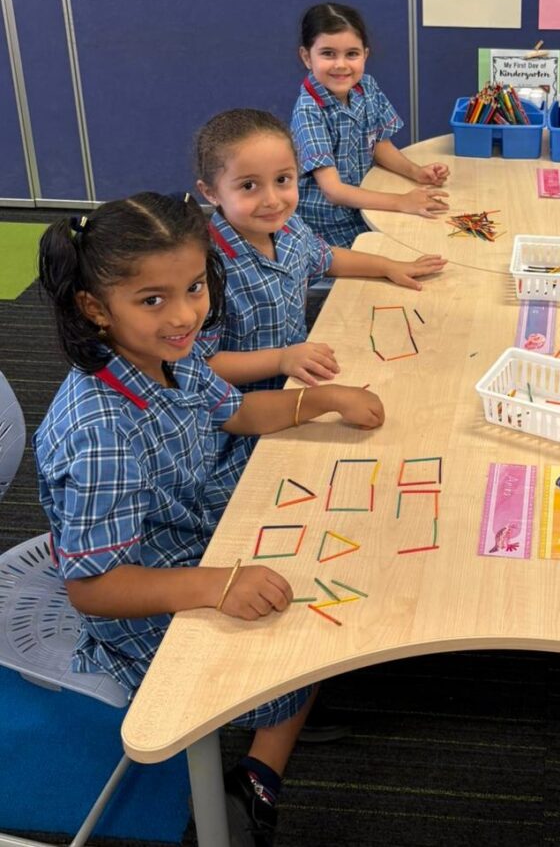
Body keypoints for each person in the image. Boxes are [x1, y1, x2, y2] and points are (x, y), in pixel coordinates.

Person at [34, 192, 385, 847]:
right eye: (153, 299)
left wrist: (321, 401)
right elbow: (94, 588)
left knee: (333, 550)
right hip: (143, 586)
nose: (184, 314)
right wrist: (217, 585)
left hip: (193, 526)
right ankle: (256, 777)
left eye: (194, 287)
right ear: (95, 308)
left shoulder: (172, 356)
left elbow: (239, 412)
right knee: (299, 642)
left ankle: (282, 710)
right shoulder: (101, 429)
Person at [194, 107, 446, 392]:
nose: (272, 200)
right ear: (211, 193)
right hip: (246, 405)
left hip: (297, 379)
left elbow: (325, 258)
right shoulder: (205, 270)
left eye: (282, 180)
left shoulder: (289, 228)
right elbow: (199, 366)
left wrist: (388, 266)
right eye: (249, 185)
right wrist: (280, 360)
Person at [290, 2, 450, 247]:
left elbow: (378, 145)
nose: (341, 64)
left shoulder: (367, 87)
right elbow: (333, 191)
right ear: (306, 57)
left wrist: (416, 172)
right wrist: (401, 202)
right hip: (327, 229)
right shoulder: (308, 111)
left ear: (365, 54)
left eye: (351, 54)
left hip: (365, 208)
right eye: (328, 53)